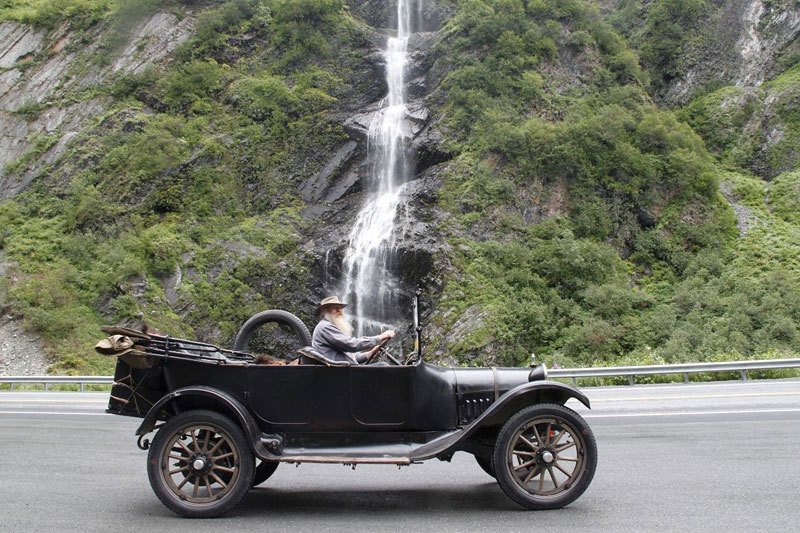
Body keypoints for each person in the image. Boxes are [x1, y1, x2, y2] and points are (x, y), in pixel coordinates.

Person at [311, 296, 395, 365]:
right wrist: (380, 337)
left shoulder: (331, 327)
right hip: (339, 373)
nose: (339, 310)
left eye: (340, 308)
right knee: (383, 366)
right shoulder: (325, 327)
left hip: (345, 370)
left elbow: (351, 357)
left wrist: (369, 353)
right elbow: (351, 345)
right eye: (335, 308)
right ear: (325, 311)